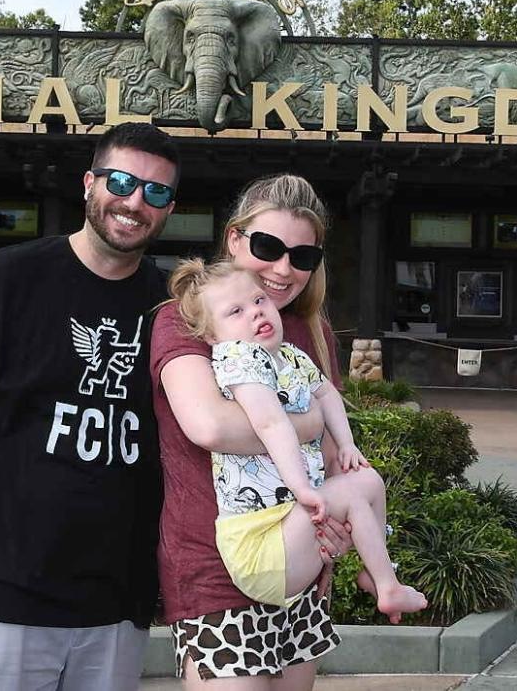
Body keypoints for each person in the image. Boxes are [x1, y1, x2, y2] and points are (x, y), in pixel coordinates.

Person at [0, 123, 180, 690]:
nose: (135, 203)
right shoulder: (7, 277)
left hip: (118, 600)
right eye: (122, 182)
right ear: (89, 183)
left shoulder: (172, 307)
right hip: (6, 590)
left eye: (155, 192)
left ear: (169, 206)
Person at [151, 174, 354, 687]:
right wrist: (309, 422)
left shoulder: (312, 333)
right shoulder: (189, 318)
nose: (284, 270)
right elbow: (212, 426)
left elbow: (334, 457)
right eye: (268, 247)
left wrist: (346, 532)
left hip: (302, 568)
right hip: (217, 573)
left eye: (303, 257)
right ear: (235, 239)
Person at [167, 259, 427, 622]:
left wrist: (347, 444)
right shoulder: (239, 358)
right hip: (259, 543)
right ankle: (389, 589)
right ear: (212, 335)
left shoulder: (288, 355)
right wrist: (302, 487)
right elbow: (271, 423)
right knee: (353, 491)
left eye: (259, 300)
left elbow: (328, 395)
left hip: (288, 529)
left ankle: (378, 572)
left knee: (367, 480)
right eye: (236, 311)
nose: (256, 313)